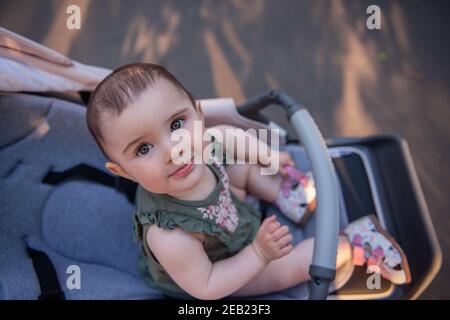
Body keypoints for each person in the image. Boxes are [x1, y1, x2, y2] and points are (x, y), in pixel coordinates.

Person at [86, 63, 411, 300]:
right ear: (124, 172)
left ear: (199, 115)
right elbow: (207, 286)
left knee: (237, 164)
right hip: (226, 264)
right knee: (296, 265)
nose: (174, 150)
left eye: (176, 124)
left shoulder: (202, 144)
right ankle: (352, 243)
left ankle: (278, 190)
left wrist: (268, 159)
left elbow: (230, 137)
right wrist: (259, 254)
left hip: (232, 209)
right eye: (143, 148)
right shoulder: (170, 235)